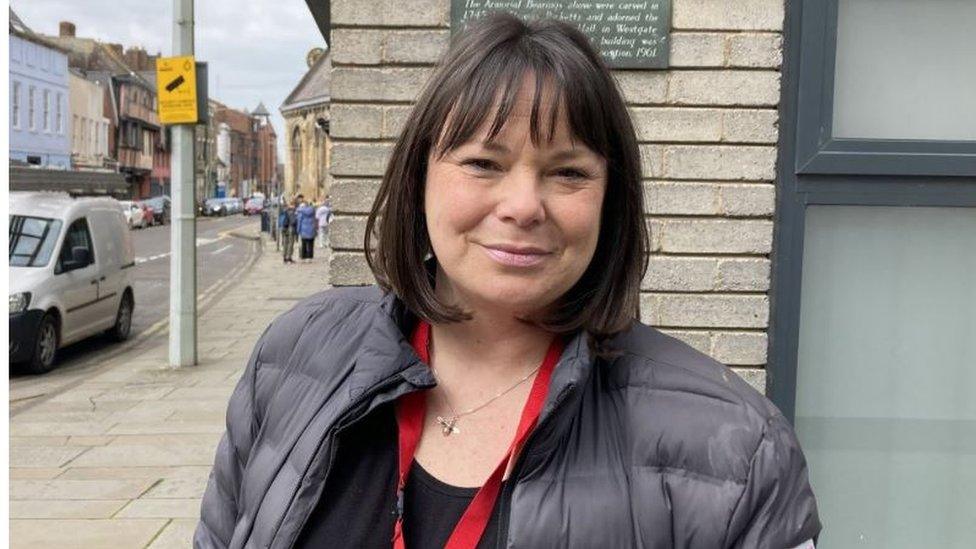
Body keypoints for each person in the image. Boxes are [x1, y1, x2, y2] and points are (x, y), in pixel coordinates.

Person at [196, 14, 821, 549]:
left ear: (612, 199)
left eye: (568, 173)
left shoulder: (737, 453)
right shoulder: (293, 356)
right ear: (420, 180)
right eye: (482, 163)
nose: (524, 205)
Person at [279, 198, 297, 264]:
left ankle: (284, 257)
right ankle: (288, 258)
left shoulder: (285, 210)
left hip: (284, 228)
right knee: (290, 244)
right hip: (290, 229)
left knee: (285, 243)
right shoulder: (291, 211)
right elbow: (293, 221)